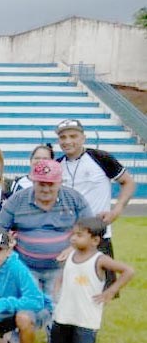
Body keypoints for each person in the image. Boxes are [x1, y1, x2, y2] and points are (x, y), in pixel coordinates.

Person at [48, 218, 136, 343]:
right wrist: (57, 286)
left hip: (85, 318)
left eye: (79, 235)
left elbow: (128, 271)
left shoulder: (100, 260)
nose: (73, 238)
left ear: (95, 240)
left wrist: (110, 291)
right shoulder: (71, 255)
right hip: (65, 314)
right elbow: (66, 274)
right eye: (73, 234)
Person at [0, 159, 93, 299]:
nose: (46, 189)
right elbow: (0, 230)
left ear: (60, 182)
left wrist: (73, 248)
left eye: (51, 184)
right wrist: (7, 243)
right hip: (25, 268)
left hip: (62, 269)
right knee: (30, 308)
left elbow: (90, 230)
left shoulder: (74, 199)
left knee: (57, 310)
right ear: (33, 182)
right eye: (41, 184)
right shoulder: (17, 200)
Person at [55, 119, 137, 279]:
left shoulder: (100, 158)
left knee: (99, 291)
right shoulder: (57, 165)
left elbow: (128, 182)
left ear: (83, 138)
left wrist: (117, 210)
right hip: (67, 237)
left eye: (73, 136)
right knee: (67, 289)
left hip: (97, 237)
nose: (67, 141)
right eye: (63, 137)